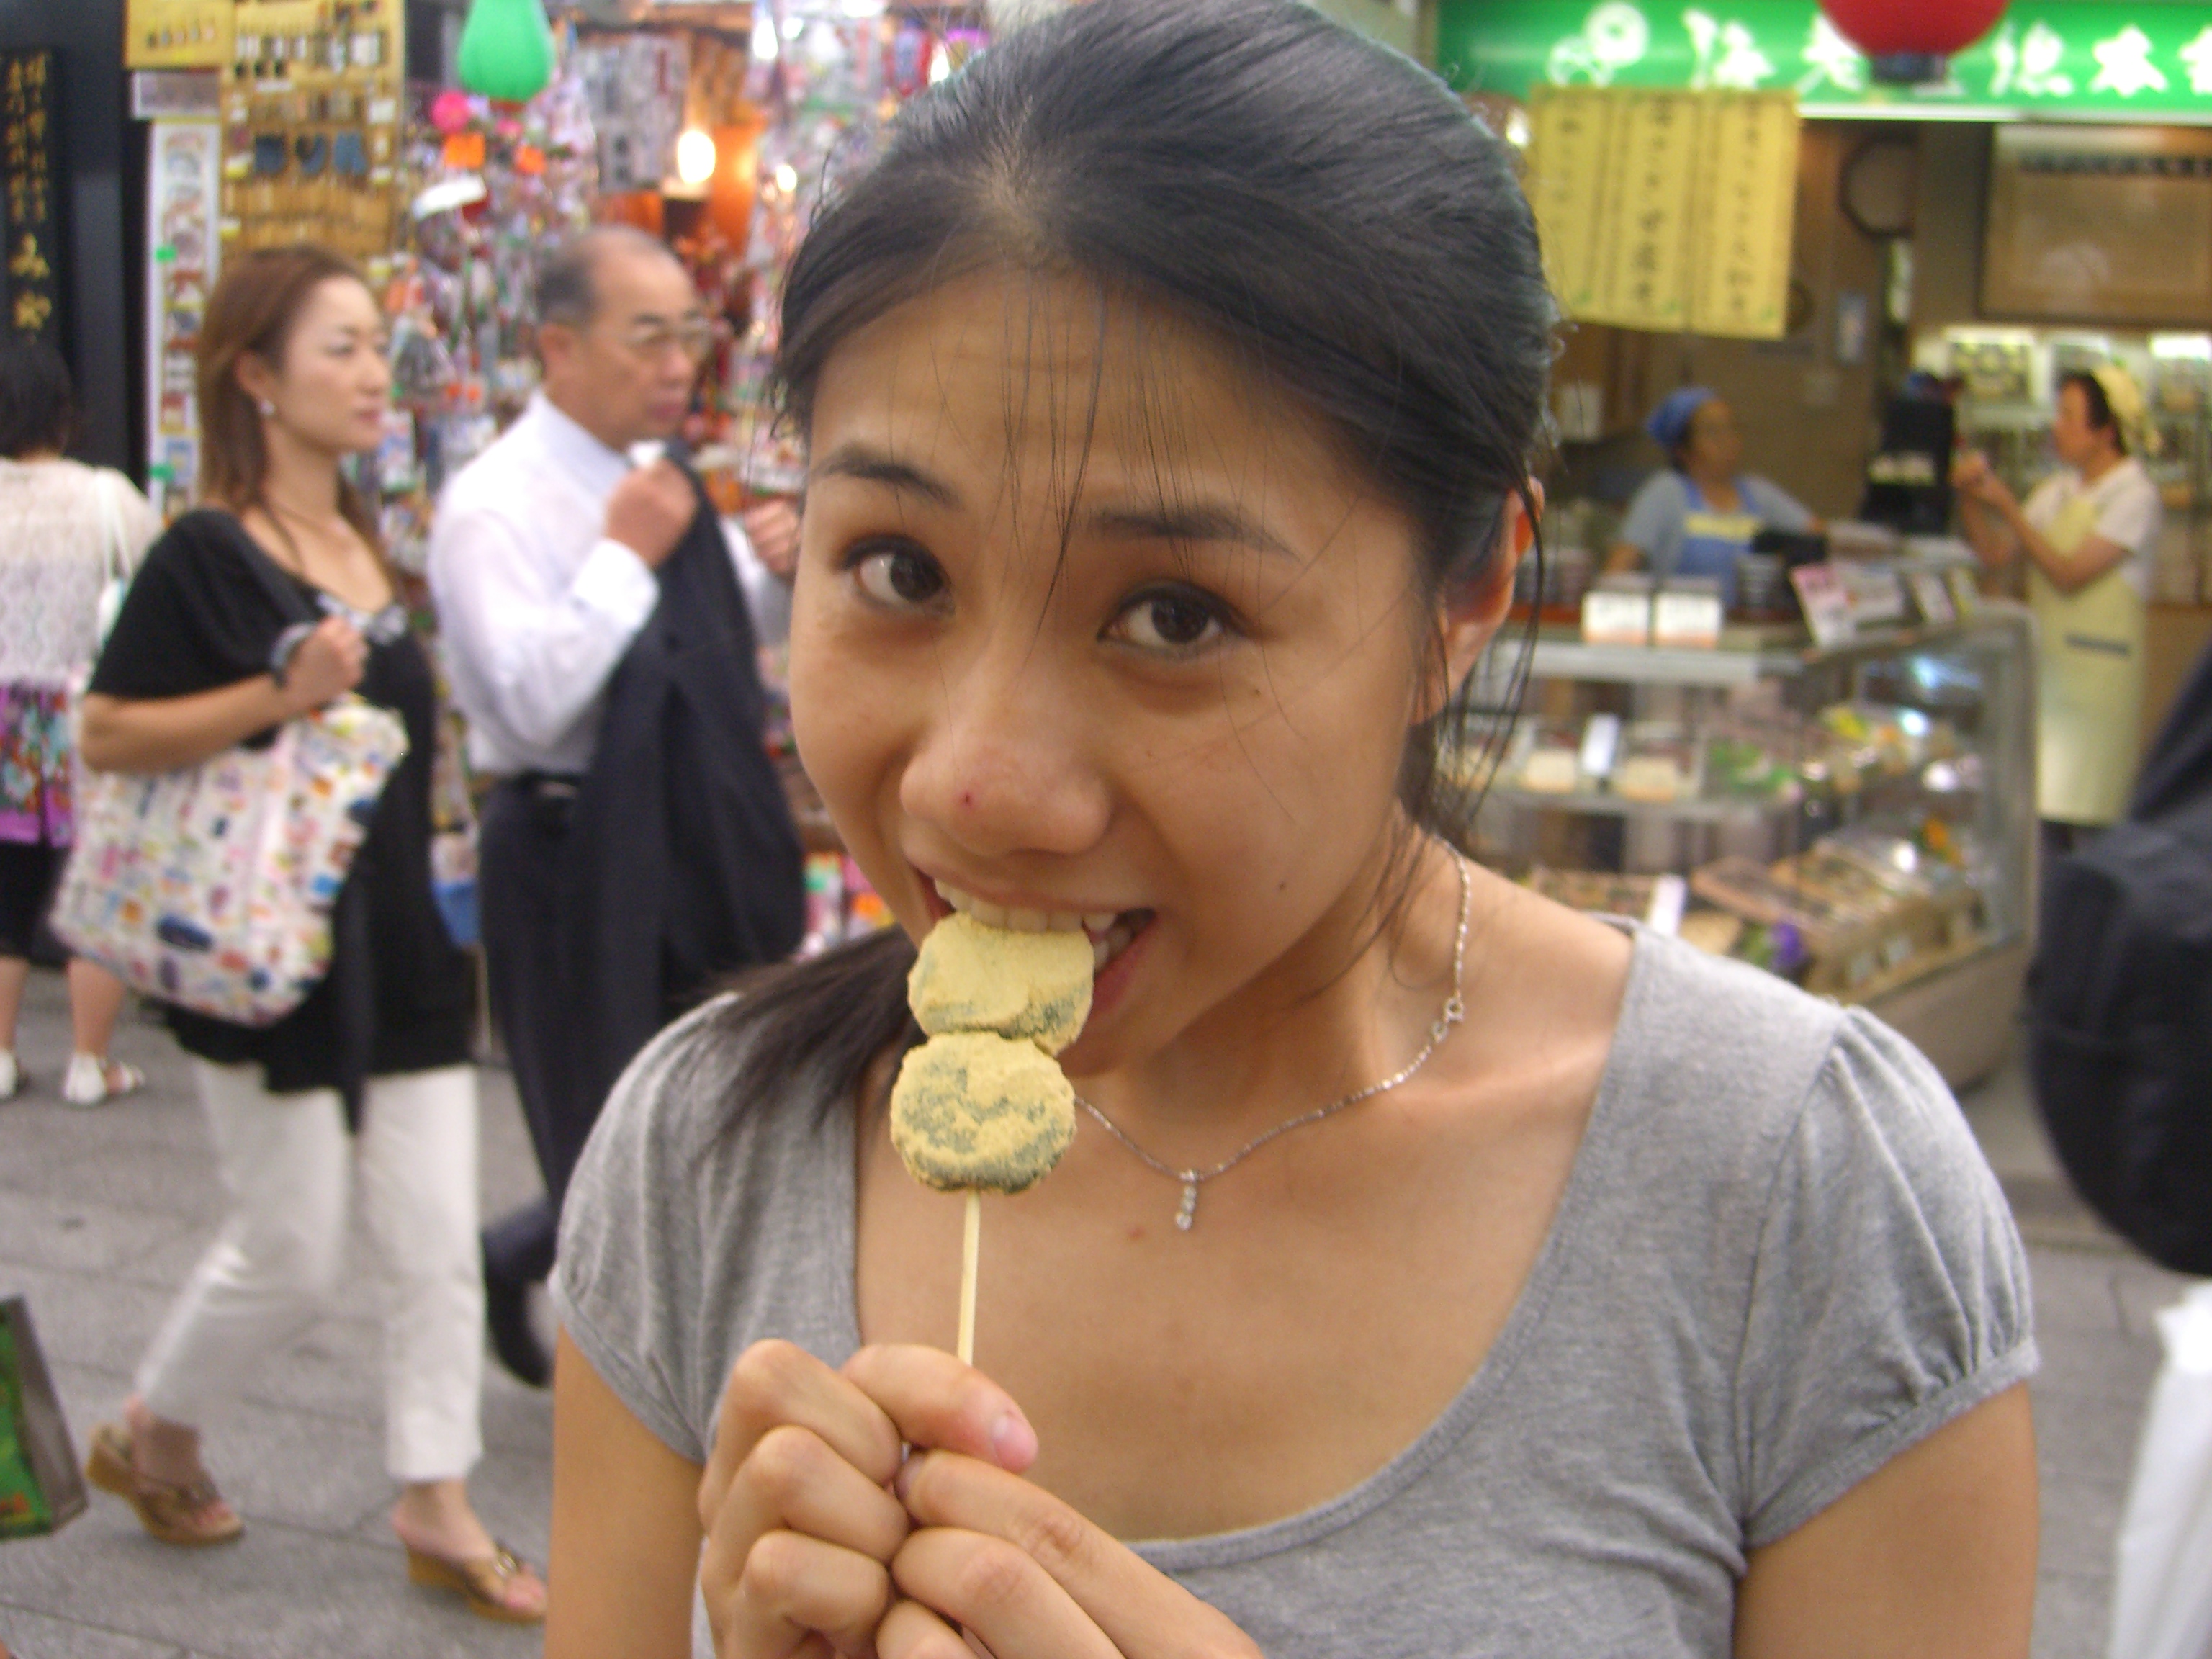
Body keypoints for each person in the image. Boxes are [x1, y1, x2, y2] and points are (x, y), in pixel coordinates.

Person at [544, 6, 2039, 1657]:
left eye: (1174, 614)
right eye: (898, 569)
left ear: (1464, 600)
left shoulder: (1800, 1196)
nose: (974, 786)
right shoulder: (703, 1156)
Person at [73, 245, 544, 1622]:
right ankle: (155, 1425)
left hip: (399, 941)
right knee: (293, 1246)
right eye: (339, 345)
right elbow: (106, 731)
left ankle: (435, 1495)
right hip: (259, 953)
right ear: (257, 377)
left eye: (374, 343)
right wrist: (276, 693)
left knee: (434, 1238)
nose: (372, 372)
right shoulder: (206, 553)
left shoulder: (365, 546)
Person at [429, 227, 804, 1390]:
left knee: (705, 1103)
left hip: (685, 836)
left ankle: (534, 1257)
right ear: (559, 346)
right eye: (648, 337)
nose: (678, 363)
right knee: (597, 1123)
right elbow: (532, 702)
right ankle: (626, 1367)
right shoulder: (493, 504)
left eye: (689, 334)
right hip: (564, 850)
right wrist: (624, 556)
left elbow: (716, 641)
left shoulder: (656, 474)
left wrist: (770, 566)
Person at [0, 341, 157, 1107]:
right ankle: (90, 1064)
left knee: (5, 890)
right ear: (62, 412)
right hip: (83, 717)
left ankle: (0, 1058)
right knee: (97, 882)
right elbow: (159, 580)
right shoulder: (104, 498)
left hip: (2, 720)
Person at [1954, 366, 2164, 855]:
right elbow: (1996, 556)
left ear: (2106, 431)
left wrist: (2008, 506)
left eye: (2069, 416)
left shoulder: (2135, 497)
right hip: (2049, 675)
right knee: (2039, 812)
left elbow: (2069, 574)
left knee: (2093, 819)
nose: (2057, 426)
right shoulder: (2056, 491)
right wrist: (1970, 499)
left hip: (2100, 687)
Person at [1604, 386, 1820, 606]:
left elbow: (1817, 538)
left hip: (1748, 624)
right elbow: (1618, 569)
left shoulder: (1759, 494)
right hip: (1681, 623)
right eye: (1713, 432)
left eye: (1731, 429)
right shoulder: (1665, 493)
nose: (1727, 441)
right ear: (1682, 449)